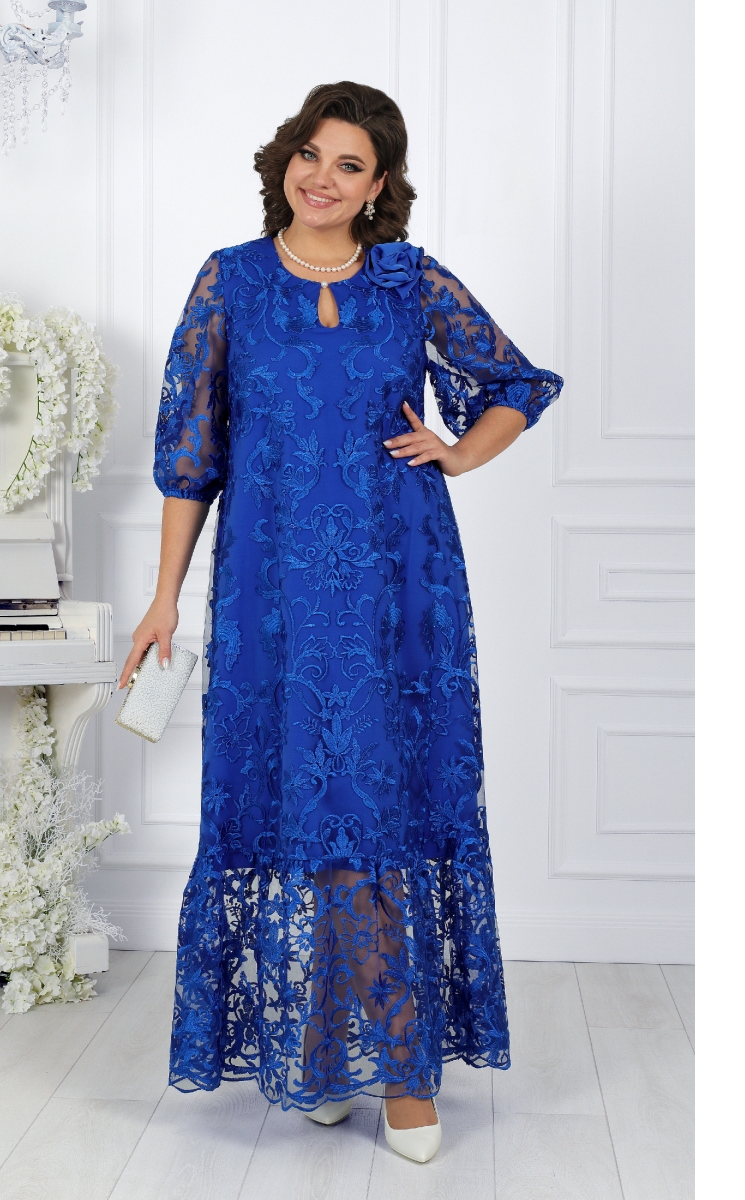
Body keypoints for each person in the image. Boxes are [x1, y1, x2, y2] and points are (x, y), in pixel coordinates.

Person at [119, 81, 562, 1164]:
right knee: (301, 809)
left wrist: (459, 451)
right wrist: (166, 594)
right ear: (285, 159)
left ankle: (394, 1065)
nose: (321, 178)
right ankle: (335, 1053)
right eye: (309, 154)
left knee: (380, 809)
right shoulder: (229, 281)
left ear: (378, 187)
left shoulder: (411, 281)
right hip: (272, 597)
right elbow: (189, 454)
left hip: (399, 586)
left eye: (349, 165)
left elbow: (517, 382)